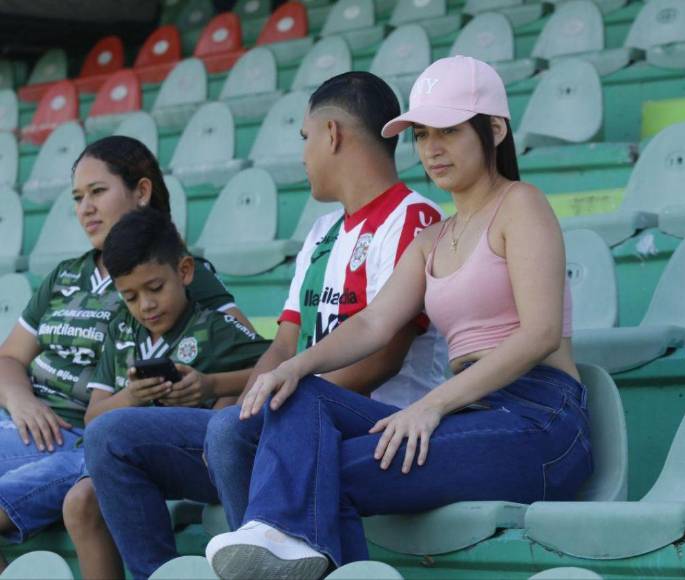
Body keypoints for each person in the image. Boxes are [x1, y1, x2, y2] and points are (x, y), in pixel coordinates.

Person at [205, 56, 593, 580]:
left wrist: (430, 407)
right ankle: (277, 538)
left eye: (449, 131)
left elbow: (541, 333)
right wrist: (292, 368)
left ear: (495, 129)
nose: (432, 149)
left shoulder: (522, 205)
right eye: (422, 135)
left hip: (538, 419)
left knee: (318, 477)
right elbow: (370, 325)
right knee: (301, 395)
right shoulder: (432, 239)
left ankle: (275, 534)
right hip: (470, 414)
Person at [85, 71, 447, 580]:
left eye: (304, 138)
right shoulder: (323, 231)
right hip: (290, 418)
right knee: (111, 435)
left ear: (332, 136)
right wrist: (260, 398)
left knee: (234, 431)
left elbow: (383, 356)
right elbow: (281, 346)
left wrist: (274, 409)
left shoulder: (413, 219)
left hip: (375, 426)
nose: (302, 156)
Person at [0, 136, 252, 577]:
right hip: (26, 426)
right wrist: (22, 402)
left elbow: (253, 361)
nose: (85, 208)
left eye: (98, 192)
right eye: (78, 198)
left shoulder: (175, 274)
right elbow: (9, 358)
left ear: (141, 192)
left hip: (92, 437)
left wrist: (214, 410)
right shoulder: (64, 275)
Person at [74, 207, 268, 578]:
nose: (145, 305)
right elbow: (92, 420)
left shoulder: (215, 328)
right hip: (153, 465)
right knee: (99, 450)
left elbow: (275, 368)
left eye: (155, 288)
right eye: (130, 296)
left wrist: (212, 387)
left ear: (184, 272)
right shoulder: (121, 332)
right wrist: (132, 397)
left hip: (218, 462)